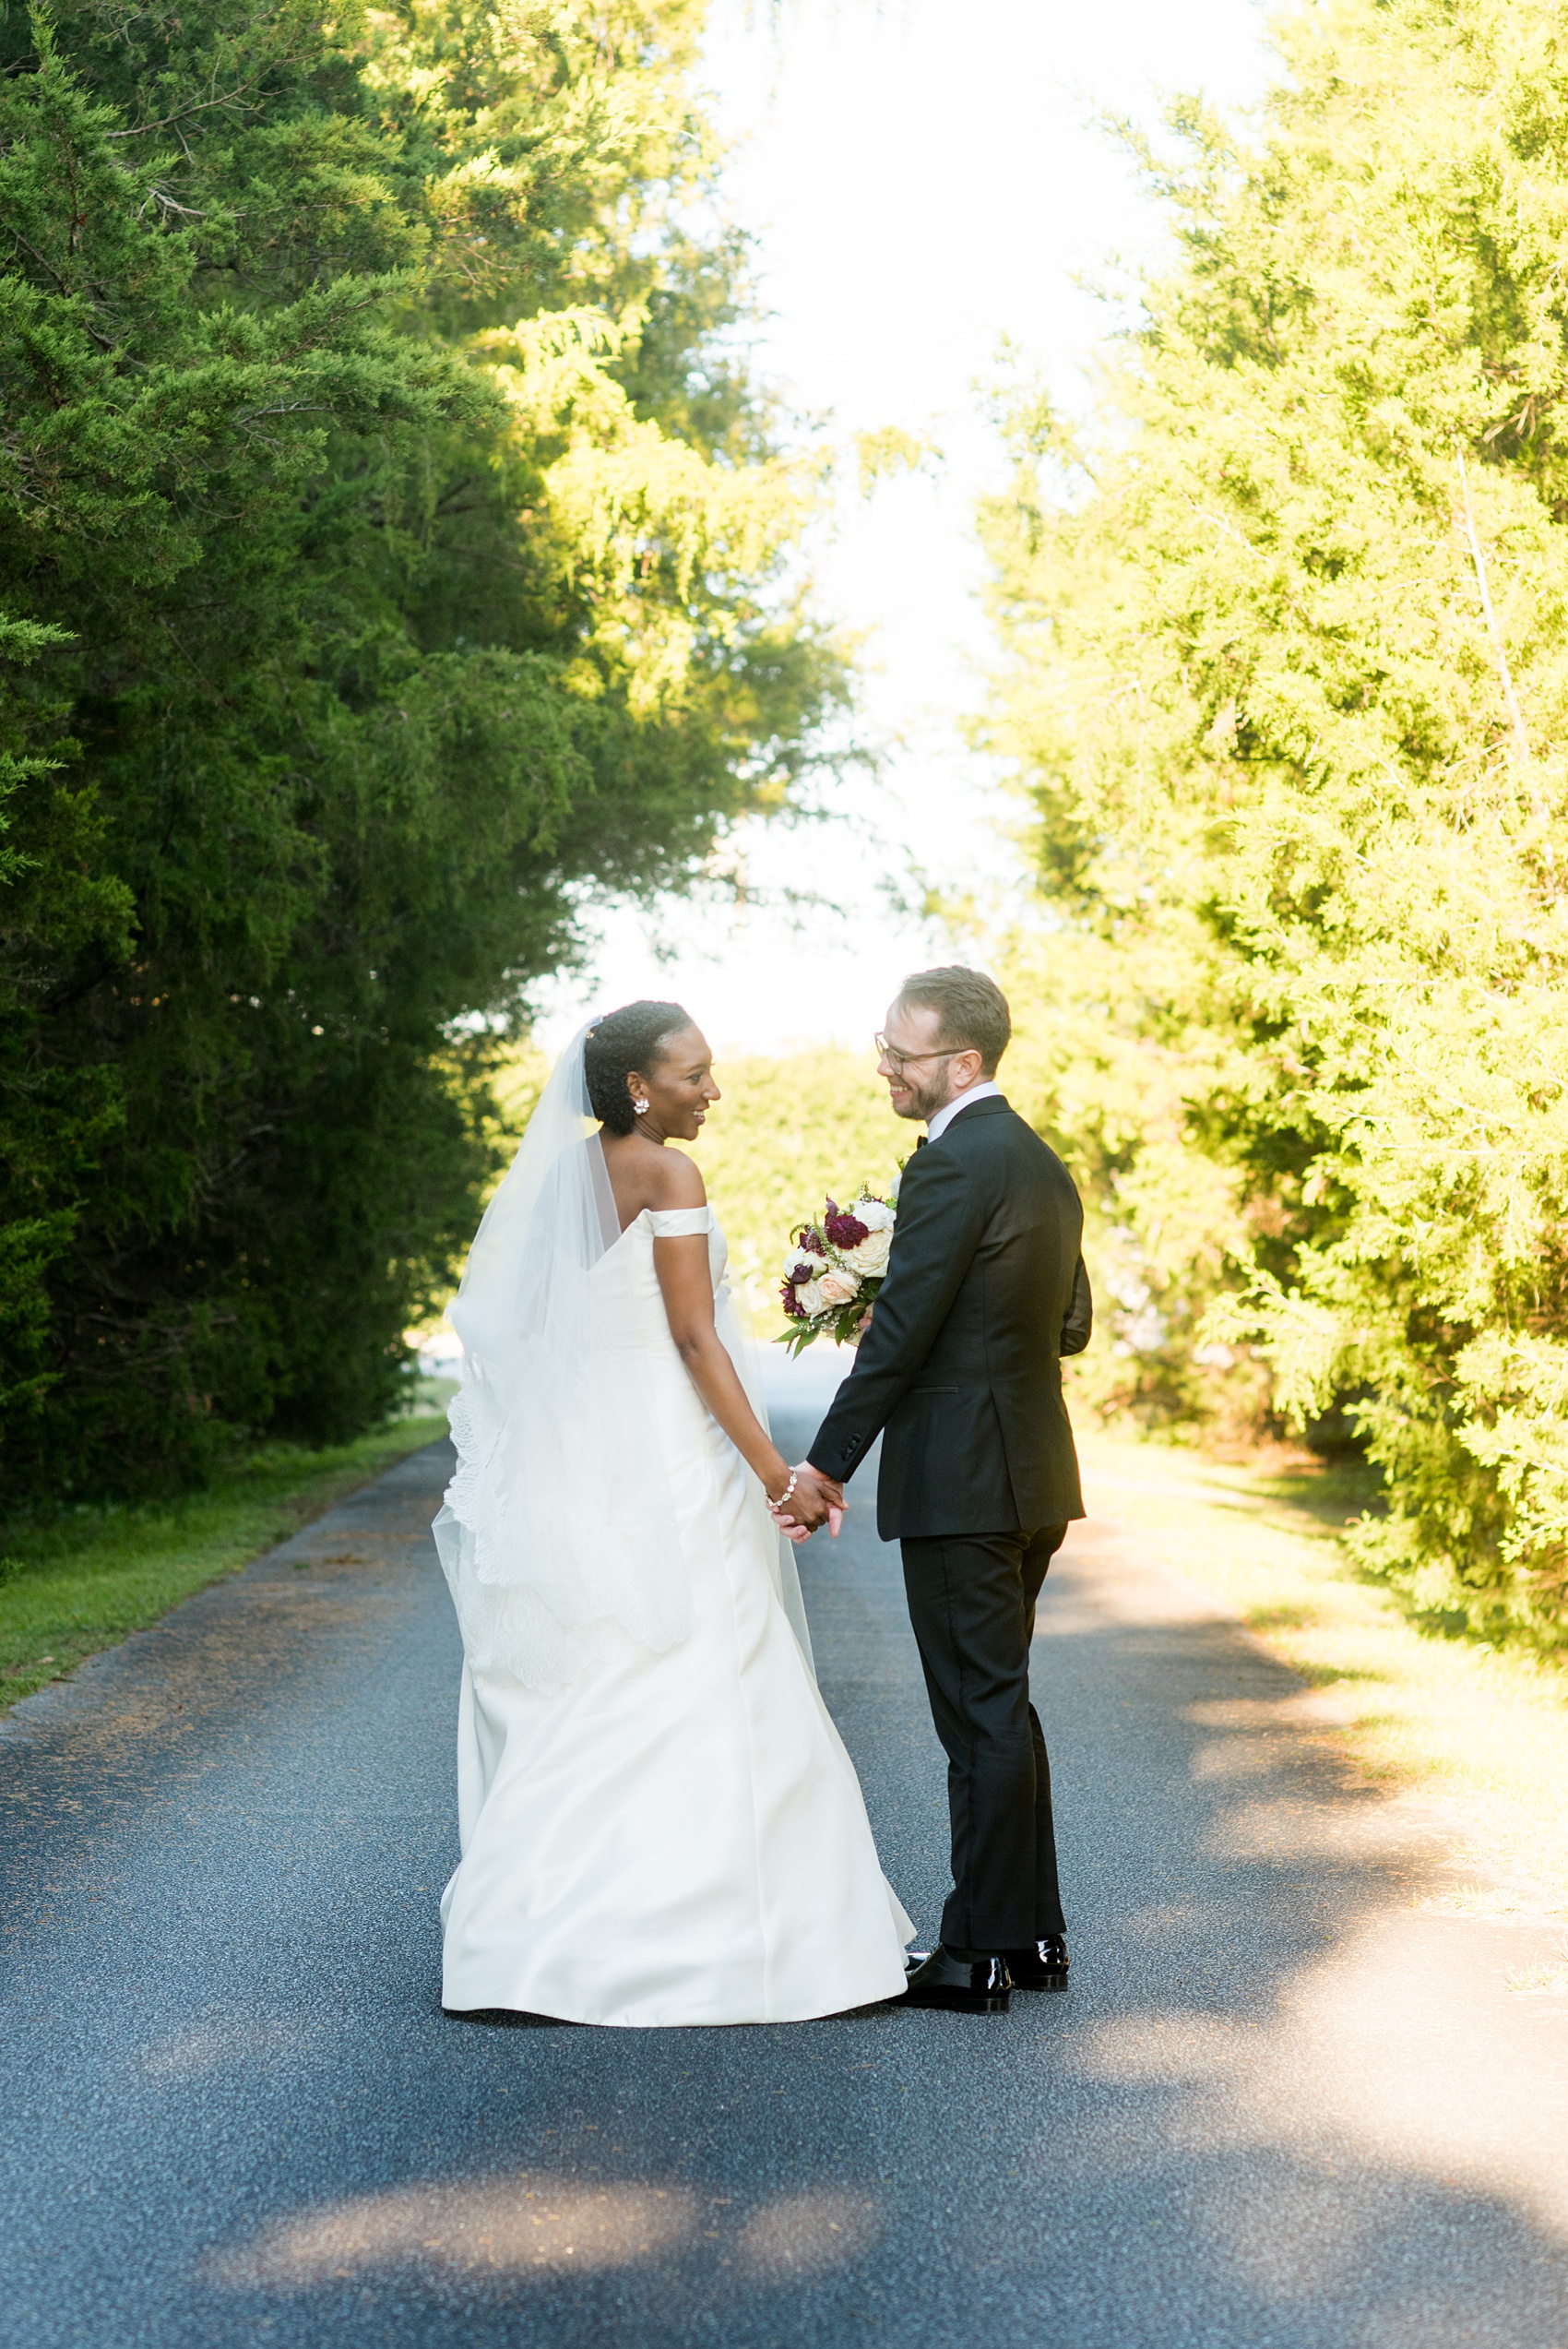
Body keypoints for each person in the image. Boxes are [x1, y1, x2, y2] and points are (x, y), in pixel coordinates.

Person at [433, 1002, 912, 2027]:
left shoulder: (564, 1175)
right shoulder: (670, 1174)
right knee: (710, 1662)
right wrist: (777, 1469)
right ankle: (741, 1938)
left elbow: (532, 1323)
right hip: (668, 1450)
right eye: (692, 1075)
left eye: (711, 1070)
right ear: (637, 1086)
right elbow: (697, 1343)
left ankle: (529, 1935)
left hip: (588, 1450)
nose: (713, 1090)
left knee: (595, 1672)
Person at [800, 967, 1092, 2015]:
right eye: (881, 1042)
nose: (883, 1063)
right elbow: (1069, 1326)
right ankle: (1031, 1934)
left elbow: (903, 1334)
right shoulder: (1039, 1162)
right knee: (998, 1704)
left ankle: (972, 1950)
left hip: (964, 1480)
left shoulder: (950, 1164)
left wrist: (822, 1462)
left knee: (977, 1715)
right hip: (1032, 1471)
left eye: (900, 1051)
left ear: (959, 1063)